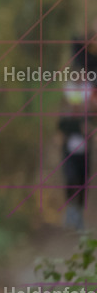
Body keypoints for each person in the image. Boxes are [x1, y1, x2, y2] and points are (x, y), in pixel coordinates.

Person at [57, 20, 97, 231]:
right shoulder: (69, 91)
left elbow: (91, 113)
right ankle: (71, 212)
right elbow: (63, 119)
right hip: (70, 144)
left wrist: (89, 126)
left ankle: (78, 215)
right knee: (71, 178)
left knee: (82, 181)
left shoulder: (90, 90)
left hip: (85, 144)